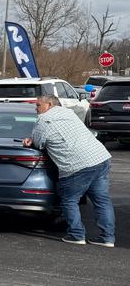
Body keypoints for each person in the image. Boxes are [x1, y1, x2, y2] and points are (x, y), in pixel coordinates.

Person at [22, 94, 115, 246]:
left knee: (69, 200)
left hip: (77, 165)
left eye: (38, 105)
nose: (36, 108)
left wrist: (29, 141)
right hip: (100, 158)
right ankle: (107, 238)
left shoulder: (44, 119)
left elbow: (38, 143)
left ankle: (76, 235)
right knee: (102, 201)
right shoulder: (68, 113)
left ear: (50, 105)